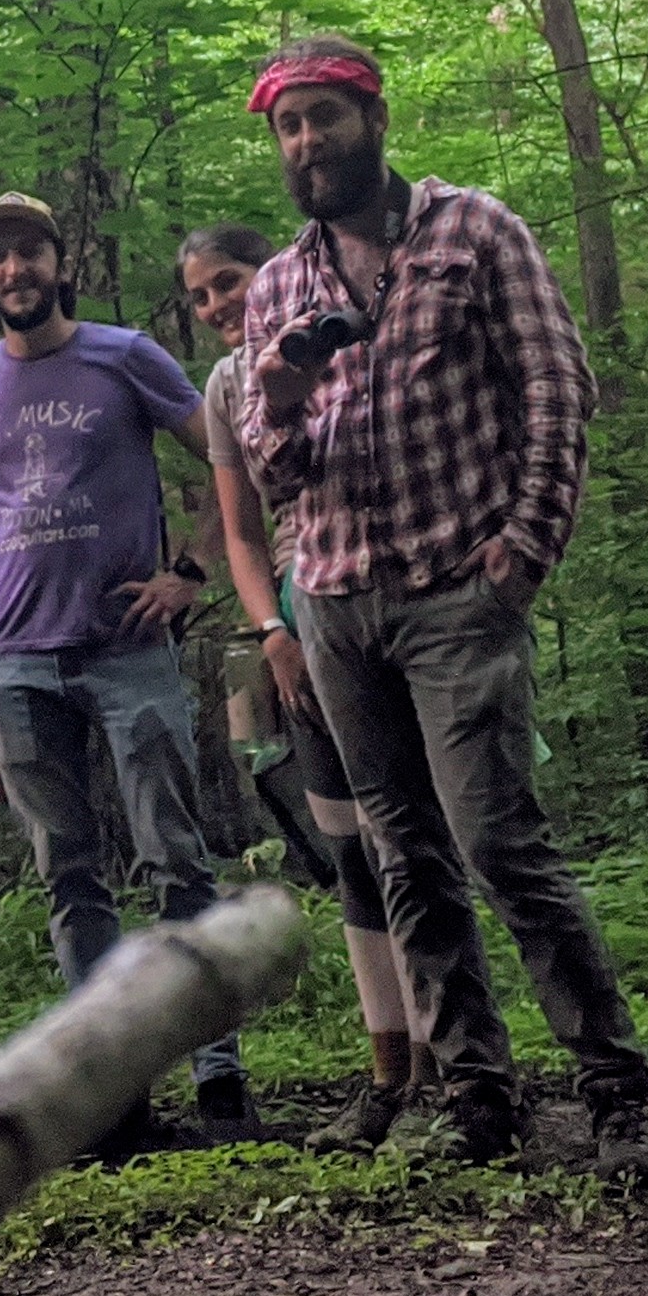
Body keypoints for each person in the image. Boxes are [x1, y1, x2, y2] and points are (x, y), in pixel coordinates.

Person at [236, 37, 648, 1182]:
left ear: (371, 118)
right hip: (336, 600)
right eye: (287, 128)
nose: (305, 144)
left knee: (494, 839)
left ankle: (615, 1090)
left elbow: (554, 383)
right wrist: (277, 403)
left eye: (323, 118)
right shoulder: (279, 286)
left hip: (455, 589)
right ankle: (475, 1097)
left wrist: (523, 551)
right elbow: (269, 472)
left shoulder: (474, 230)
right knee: (403, 857)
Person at [0, 191, 261, 1150]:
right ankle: (107, 1090)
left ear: (58, 265)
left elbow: (223, 457)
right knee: (69, 874)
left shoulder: (124, 355)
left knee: (173, 858)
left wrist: (189, 573)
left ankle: (218, 1076)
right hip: (16, 662)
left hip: (128, 656)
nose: (13, 271)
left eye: (29, 252)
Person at [183, 221, 436, 1152]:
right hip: (295, 621)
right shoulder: (221, 387)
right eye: (200, 294)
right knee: (347, 857)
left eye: (229, 281)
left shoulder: (343, 335)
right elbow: (241, 533)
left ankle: (450, 1062)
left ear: (270, 275)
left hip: (385, 601)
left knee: (411, 839)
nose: (216, 304)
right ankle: (387, 1071)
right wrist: (272, 632)